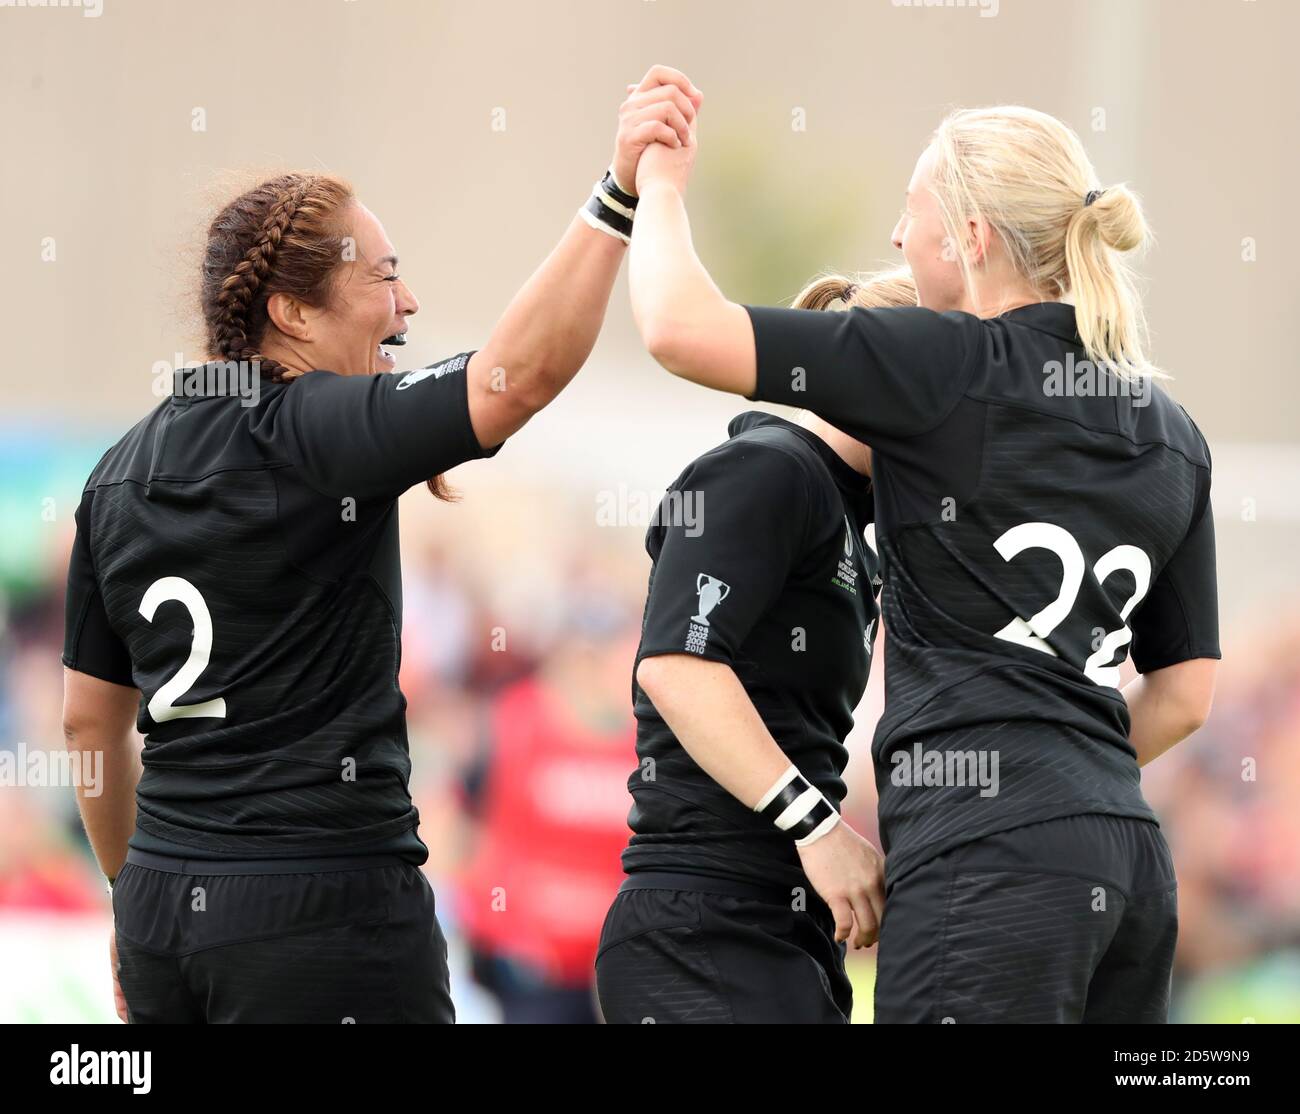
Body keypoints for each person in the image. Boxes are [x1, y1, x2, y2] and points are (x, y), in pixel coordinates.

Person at [60, 65, 702, 1024]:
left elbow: (86, 726)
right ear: (291, 313)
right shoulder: (310, 428)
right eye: (385, 275)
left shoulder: (115, 470)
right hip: (320, 912)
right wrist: (617, 193)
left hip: (163, 913)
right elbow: (512, 378)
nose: (405, 307)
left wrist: (131, 895)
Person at [626, 103, 1219, 1023]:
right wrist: (1058, 782)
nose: (899, 236)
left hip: (989, 860)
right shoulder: (1176, 432)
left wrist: (655, 184)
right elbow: (1184, 696)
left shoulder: (941, 363)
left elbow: (673, 326)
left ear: (972, 236)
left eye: (912, 209)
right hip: (1130, 861)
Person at [596, 270, 916, 1024]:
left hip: (778, 919)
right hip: (703, 919)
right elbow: (678, 665)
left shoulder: (850, 518)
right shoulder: (770, 469)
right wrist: (819, 827)